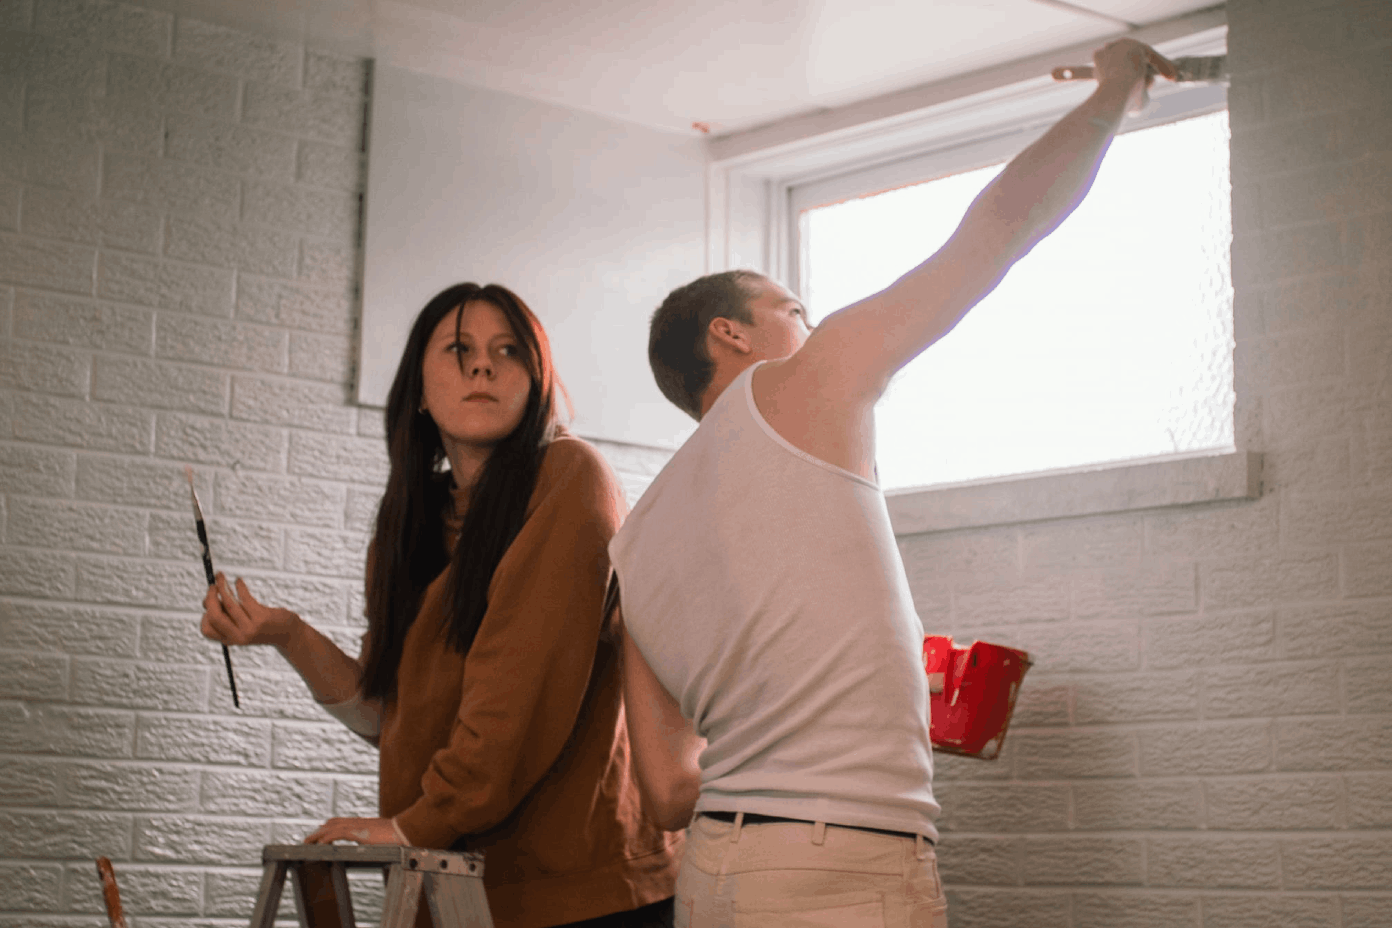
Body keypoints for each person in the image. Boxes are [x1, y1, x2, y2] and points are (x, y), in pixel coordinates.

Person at [610, 39, 1177, 928]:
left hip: (718, 876)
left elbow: (668, 790)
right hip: (836, 872)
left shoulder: (636, 539)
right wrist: (1117, 89)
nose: (813, 321)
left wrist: (854, 704)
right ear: (730, 334)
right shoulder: (796, 384)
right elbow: (1000, 228)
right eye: (792, 309)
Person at [201, 283, 681, 928]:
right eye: (459, 349)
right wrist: (287, 634)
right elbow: (390, 719)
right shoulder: (410, 522)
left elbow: (518, 692)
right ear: (419, 390)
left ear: (536, 382)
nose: (483, 365)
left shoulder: (570, 478)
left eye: (508, 350)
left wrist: (416, 824)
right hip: (455, 882)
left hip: (578, 893)